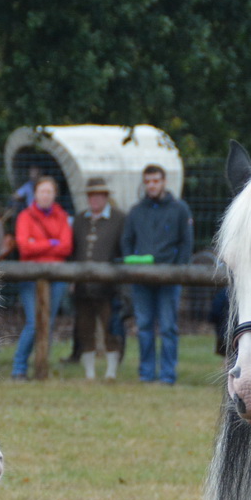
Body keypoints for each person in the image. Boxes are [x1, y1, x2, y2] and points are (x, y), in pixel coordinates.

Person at [120, 164, 195, 384]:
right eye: (148, 181)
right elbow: (127, 241)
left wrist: (178, 269)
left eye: (155, 181)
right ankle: (146, 373)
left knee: (168, 326)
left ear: (163, 182)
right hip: (142, 278)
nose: (151, 185)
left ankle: (167, 374)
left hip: (169, 278)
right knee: (143, 326)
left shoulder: (179, 209)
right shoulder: (136, 211)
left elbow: (186, 241)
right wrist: (132, 265)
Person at [9, 176, 72, 378]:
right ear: (35, 194)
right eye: (42, 191)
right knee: (34, 322)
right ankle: (19, 367)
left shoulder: (61, 216)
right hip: (30, 276)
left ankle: (41, 365)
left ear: (55, 195)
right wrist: (51, 243)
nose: (45, 195)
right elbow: (25, 248)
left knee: (48, 322)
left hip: (57, 277)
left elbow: (67, 247)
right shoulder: (25, 216)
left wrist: (39, 243)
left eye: (49, 191)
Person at [71, 177, 125, 379]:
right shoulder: (79, 219)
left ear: (105, 197)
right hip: (82, 286)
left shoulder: (119, 219)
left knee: (110, 327)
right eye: (91, 195)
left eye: (99, 195)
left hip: (110, 286)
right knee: (85, 328)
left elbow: (123, 249)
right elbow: (73, 250)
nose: (94, 199)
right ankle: (90, 373)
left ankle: (111, 372)